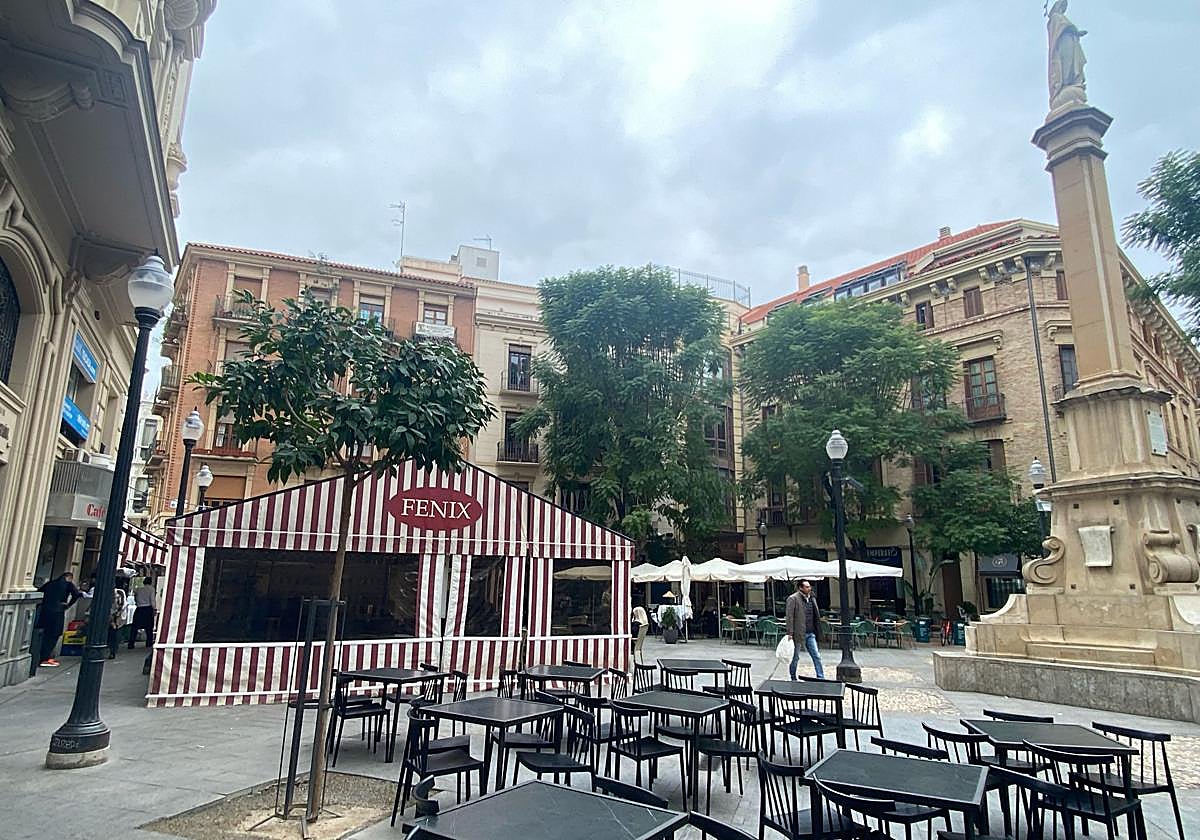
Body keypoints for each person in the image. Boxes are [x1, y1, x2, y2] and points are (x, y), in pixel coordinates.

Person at [36, 572, 82, 667]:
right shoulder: (68, 584)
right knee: (54, 634)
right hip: (57, 612)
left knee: (44, 634)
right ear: (69, 578)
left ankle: (41, 656)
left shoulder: (50, 583)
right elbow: (77, 594)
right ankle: (45, 658)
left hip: (45, 611)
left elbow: (39, 591)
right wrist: (68, 604)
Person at [785, 579, 824, 680]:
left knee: (816, 655)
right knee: (795, 657)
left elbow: (816, 615)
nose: (809, 588)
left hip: (810, 632)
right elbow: (789, 617)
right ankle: (793, 676)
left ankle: (821, 677)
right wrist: (790, 632)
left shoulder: (812, 598)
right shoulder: (793, 599)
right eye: (806, 587)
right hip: (798, 633)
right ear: (800, 588)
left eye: (809, 586)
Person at [129, 577, 157, 650]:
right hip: (148, 608)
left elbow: (135, 598)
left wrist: (137, 603)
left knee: (135, 627)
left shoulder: (138, 589)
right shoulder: (151, 589)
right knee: (149, 628)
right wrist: (154, 608)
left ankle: (131, 643)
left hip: (139, 609)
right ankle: (148, 643)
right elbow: (152, 600)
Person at [107, 586, 128, 660]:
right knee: (111, 634)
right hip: (111, 617)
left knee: (115, 634)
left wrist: (116, 615)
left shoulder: (120, 593)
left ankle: (112, 651)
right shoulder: (108, 594)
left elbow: (122, 605)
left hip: (118, 618)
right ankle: (111, 650)